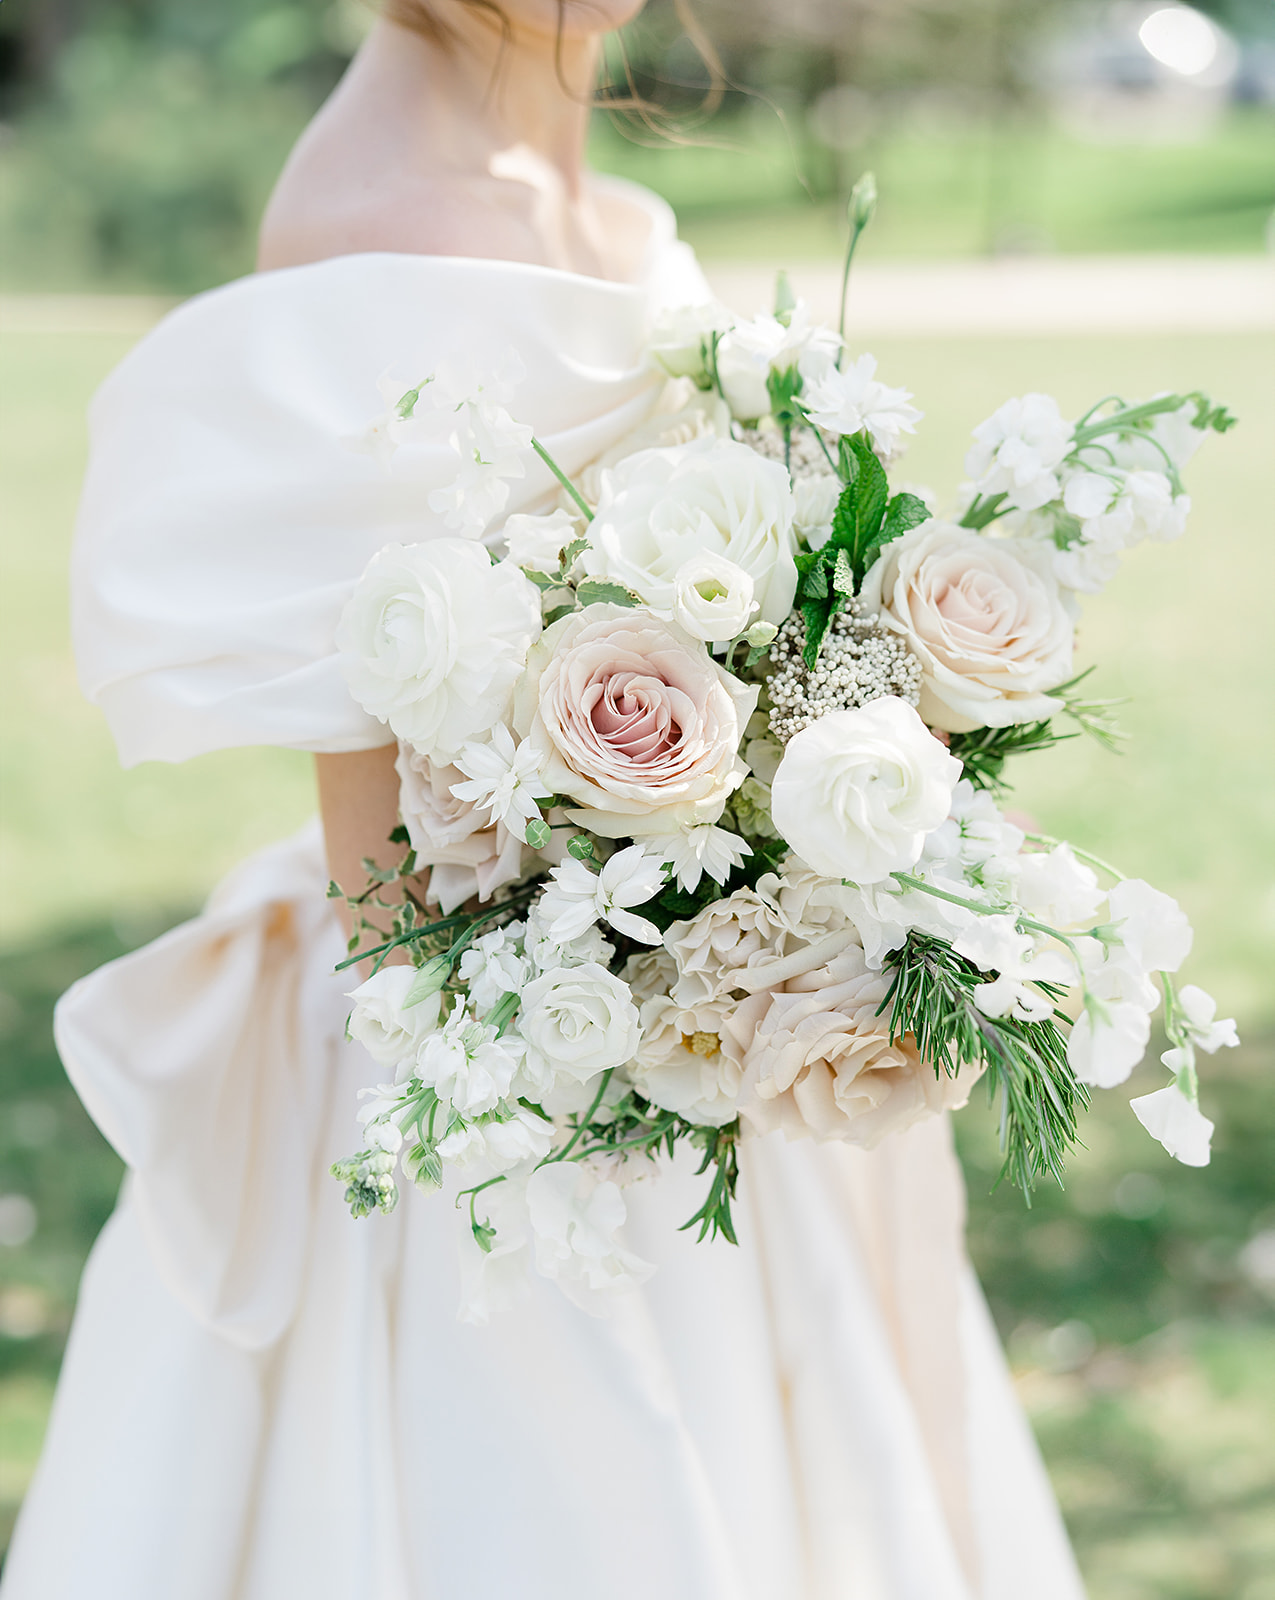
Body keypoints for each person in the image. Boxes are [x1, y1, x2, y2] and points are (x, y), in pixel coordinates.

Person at [2, 5, 1089, 1597]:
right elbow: (380, 860)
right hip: (512, 1046)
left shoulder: (584, 175)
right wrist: (616, 1015)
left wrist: (821, 887)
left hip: (698, 1007)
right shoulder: (375, 213)